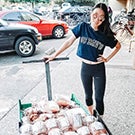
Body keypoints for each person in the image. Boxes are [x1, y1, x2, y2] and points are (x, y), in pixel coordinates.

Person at [43, 3, 121, 117]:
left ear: (104, 19)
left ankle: (100, 120)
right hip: (85, 68)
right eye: (95, 15)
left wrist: (107, 58)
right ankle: (92, 116)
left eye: (101, 18)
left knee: (99, 99)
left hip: (99, 68)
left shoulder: (106, 35)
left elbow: (118, 46)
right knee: (88, 96)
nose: (97, 19)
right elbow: (68, 42)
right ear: (91, 14)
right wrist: (54, 55)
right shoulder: (83, 27)